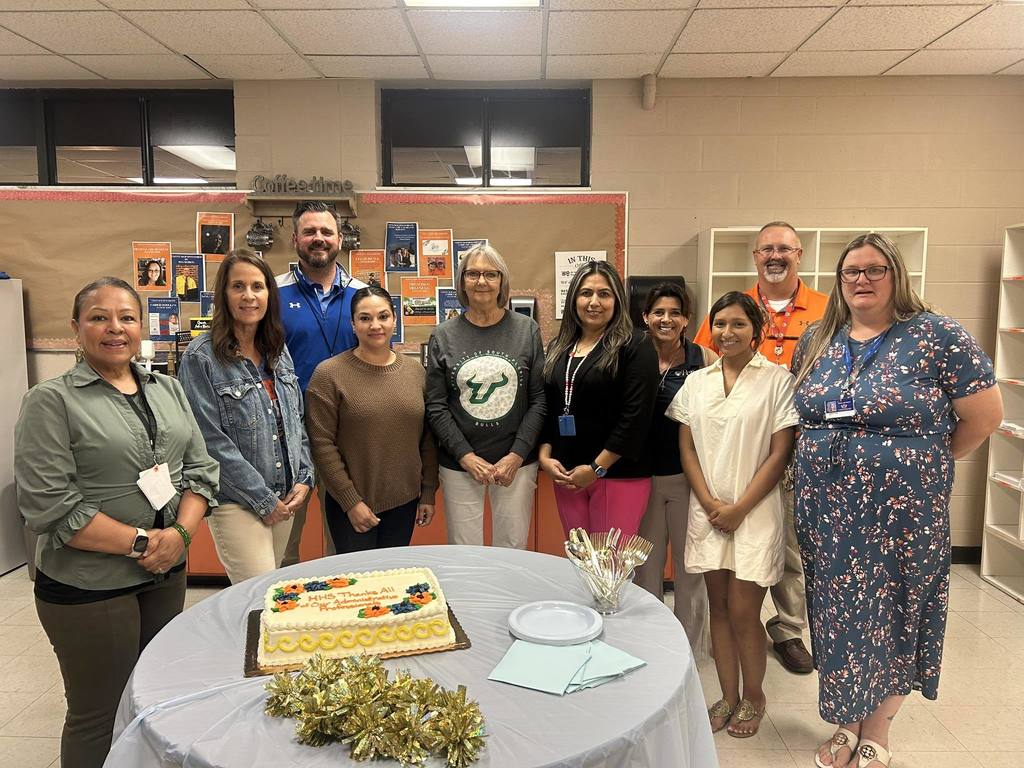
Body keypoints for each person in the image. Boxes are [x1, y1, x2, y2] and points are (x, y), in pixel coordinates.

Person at [791, 233, 1002, 768]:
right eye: (850, 272)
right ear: (839, 281)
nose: (861, 280)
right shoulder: (819, 336)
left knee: (898, 610)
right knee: (838, 614)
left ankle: (878, 727)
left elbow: (985, 417)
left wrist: (918, 464)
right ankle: (846, 718)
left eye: (874, 270)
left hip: (904, 513)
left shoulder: (936, 335)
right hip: (827, 511)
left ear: (897, 275)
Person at [14, 277, 218, 768]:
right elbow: (51, 503)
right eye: (99, 317)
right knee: (98, 712)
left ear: (141, 326)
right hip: (90, 585)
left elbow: (202, 471)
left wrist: (182, 536)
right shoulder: (51, 400)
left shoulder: (166, 389)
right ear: (75, 329)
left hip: (164, 574)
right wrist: (147, 541)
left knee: (153, 697)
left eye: (127, 317)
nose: (115, 328)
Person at [693, 220, 827, 674]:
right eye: (766, 248)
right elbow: (709, 362)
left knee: (789, 551)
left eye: (784, 249)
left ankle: (788, 630)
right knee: (738, 559)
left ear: (799, 254)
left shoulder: (826, 311)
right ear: (755, 256)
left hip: (798, 448)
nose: (775, 256)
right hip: (737, 448)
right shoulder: (736, 308)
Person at [669, 290, 798, 739]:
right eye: (720, 323)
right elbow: (686, 446)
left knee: (745, 611)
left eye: (739, 323)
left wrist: (740, 507)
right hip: (708, 512)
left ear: (756, 331)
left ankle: (755, 696)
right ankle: (726, 693)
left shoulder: (776, 380)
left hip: (755, 512)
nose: (728, 332)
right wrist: (708, 503)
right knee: (717, 608)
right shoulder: (697, 382)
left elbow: (781, 451)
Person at [177, 250, 314, 584]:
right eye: (238, 286)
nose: (249, 295)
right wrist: (263, 499)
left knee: (275, 593)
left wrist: (305, 477)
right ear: (224, 294)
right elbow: (208, 442)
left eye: (258, 286)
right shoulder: (201, 357)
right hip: (237, 501)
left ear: (270, 294)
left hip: (285, 497)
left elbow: (296, 420)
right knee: (258, 595)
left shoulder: (278, 351)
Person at [425, 244, 546, 549]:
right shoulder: (443, 335)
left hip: (515, 464)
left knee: (513, 546)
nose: (482, 281)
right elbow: (436, 406)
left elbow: (539, 400)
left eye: (491, 274)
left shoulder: (526, 330)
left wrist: (517, 455)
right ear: (462, 281)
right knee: (465, 552)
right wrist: (465, 456)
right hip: (460, 463)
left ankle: (510, 599)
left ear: (502, 282)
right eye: (473, 274)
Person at [305, 285, 438, 552]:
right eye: (365, 318)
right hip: (351, 506)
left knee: (392, 582)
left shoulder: (416, 372)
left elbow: (427, 439)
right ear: (353, 324)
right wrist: (351, 501)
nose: (375, 325)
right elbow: (322, 445)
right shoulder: (329, 374)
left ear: (394, 320)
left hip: (405, 501)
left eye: (383, 316)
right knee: (358, 587)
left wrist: (428, 492)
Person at [276, 200, 367, 564]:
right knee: (282, 540)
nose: (319, 238)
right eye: (310, 231)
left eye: (326, 231)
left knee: (344, 542)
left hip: (346, 433)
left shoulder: (363, 295)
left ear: (340, 239)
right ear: (296, 238)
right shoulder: (271, 293)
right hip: (287, 433)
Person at [539, 260, 658, 537]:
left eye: (604, 294)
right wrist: (545, 457)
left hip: (616, 474)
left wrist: (596, 469)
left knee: (609, 568)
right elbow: (549, 405)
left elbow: (635, 417)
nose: (594, 302)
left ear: (617, 300)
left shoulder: (635, 345)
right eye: (586, 293)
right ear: (573, 300)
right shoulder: (560, 347)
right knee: (580, 561)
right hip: (567, 474)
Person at [634, 282, 716, 659]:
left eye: (675, 313)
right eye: (659, 312)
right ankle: (651, 644)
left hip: (687, 479)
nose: (666, 319)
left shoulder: (705, 359)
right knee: (645, 569)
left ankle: (687, 651)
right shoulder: (631, 354)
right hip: (641, 479)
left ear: (686, 319)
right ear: (646, 317)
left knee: (690, 570)